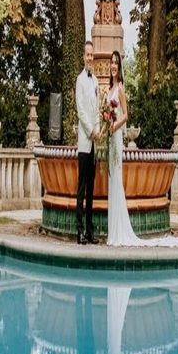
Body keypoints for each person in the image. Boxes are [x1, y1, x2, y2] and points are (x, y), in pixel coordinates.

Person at [106, 50, 178, 248]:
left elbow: (126, 115)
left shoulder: (120, 90)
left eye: (116, 63)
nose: (113, 66)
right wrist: (106, 122)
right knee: (111, 181)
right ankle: (113, 231)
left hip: (116, 137)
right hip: (109, 139)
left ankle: (119, 232)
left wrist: (114, 125)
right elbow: (108, 113)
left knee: (116, 180)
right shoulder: (109, 90)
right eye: (112, 62)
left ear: (120, 67)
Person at [75, 40, 100, 244]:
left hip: (95, 143)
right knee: (82, 188)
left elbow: (97, 110)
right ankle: (79, 230)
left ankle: (91, 231)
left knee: (92, 189)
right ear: (83, 57)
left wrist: (98, 128)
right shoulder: (80, 80)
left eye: (92, 55)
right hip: (84, 142)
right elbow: (81, 111)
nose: (90, 58)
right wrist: (91, 130)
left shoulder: (96, 82)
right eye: (87, 55)